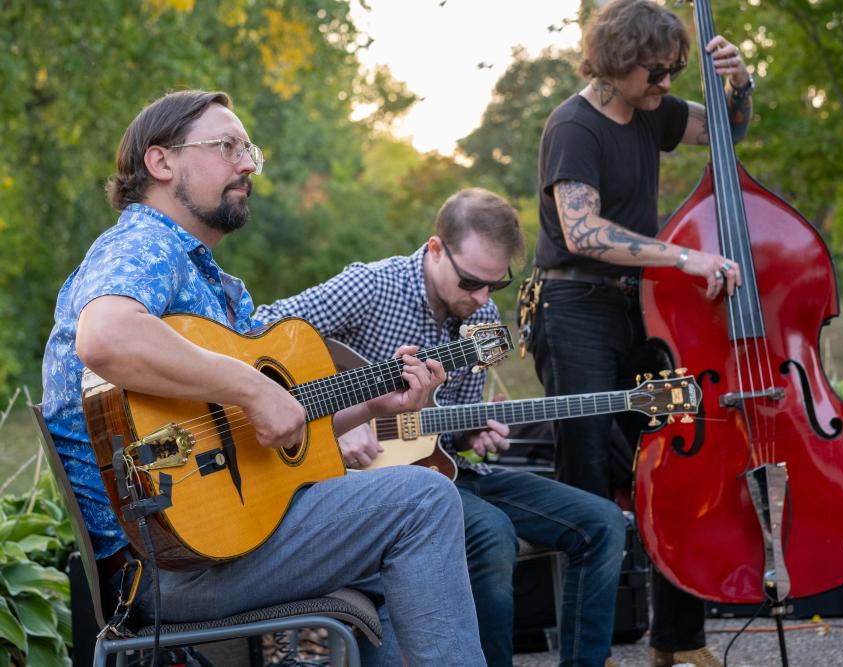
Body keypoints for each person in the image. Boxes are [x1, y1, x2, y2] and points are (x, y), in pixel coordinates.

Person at [41, 90, 487, 665]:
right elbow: (105, 337)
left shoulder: (215, 286)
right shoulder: (143, 245)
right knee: (423, 499)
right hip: (168, 565)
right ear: (161, 162)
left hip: (216, 544)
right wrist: (251, 387)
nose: (248, 164)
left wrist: (374, 407)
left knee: (396, 533)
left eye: (248, 149)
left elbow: (277, 422)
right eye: (227, 146)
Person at [255, 187, 628, 667]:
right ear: (435, 249)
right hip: (367, 484)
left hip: (445, 472)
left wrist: (475, 437)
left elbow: (448, 438)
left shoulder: (483, 318)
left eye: (496, 285)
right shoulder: (370, 287)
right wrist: (330, 420)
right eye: (471, 282)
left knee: (602, 522)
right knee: (493, 535)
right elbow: (258, 334)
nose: (482, 298)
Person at [527, 1, 754, 666]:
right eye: (656, 73)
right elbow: (583, 232)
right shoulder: (573, 126)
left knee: (675, 453)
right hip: (573, 307)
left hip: (636, 306)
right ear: (619, 60)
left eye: (673, 73)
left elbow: (725, 133)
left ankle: (677, 640)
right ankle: (583, 656)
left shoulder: (650, 110)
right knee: (589, 479)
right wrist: (686, 256)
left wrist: (741, 85)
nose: (665, 86)